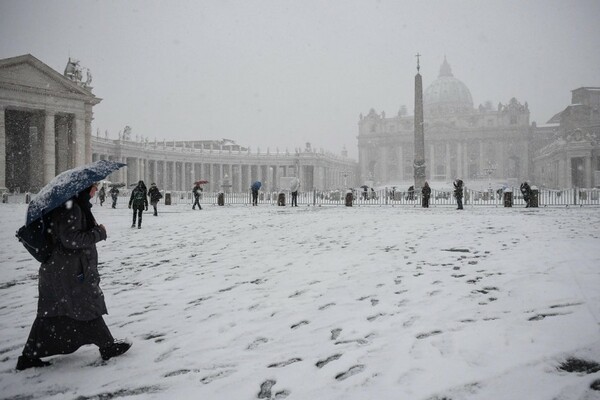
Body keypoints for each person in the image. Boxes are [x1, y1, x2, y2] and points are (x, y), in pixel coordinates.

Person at [16, 183, 131, 371]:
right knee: (85, 304)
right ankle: (107, 346)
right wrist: (98, 233)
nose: (96, 190)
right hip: (69, 270)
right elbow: (71, 240)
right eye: (94, 187)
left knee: (53, 312)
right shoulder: (73, 208)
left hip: (59, 269)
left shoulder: (70, 205)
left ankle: (29, 356)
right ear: (85, 189)